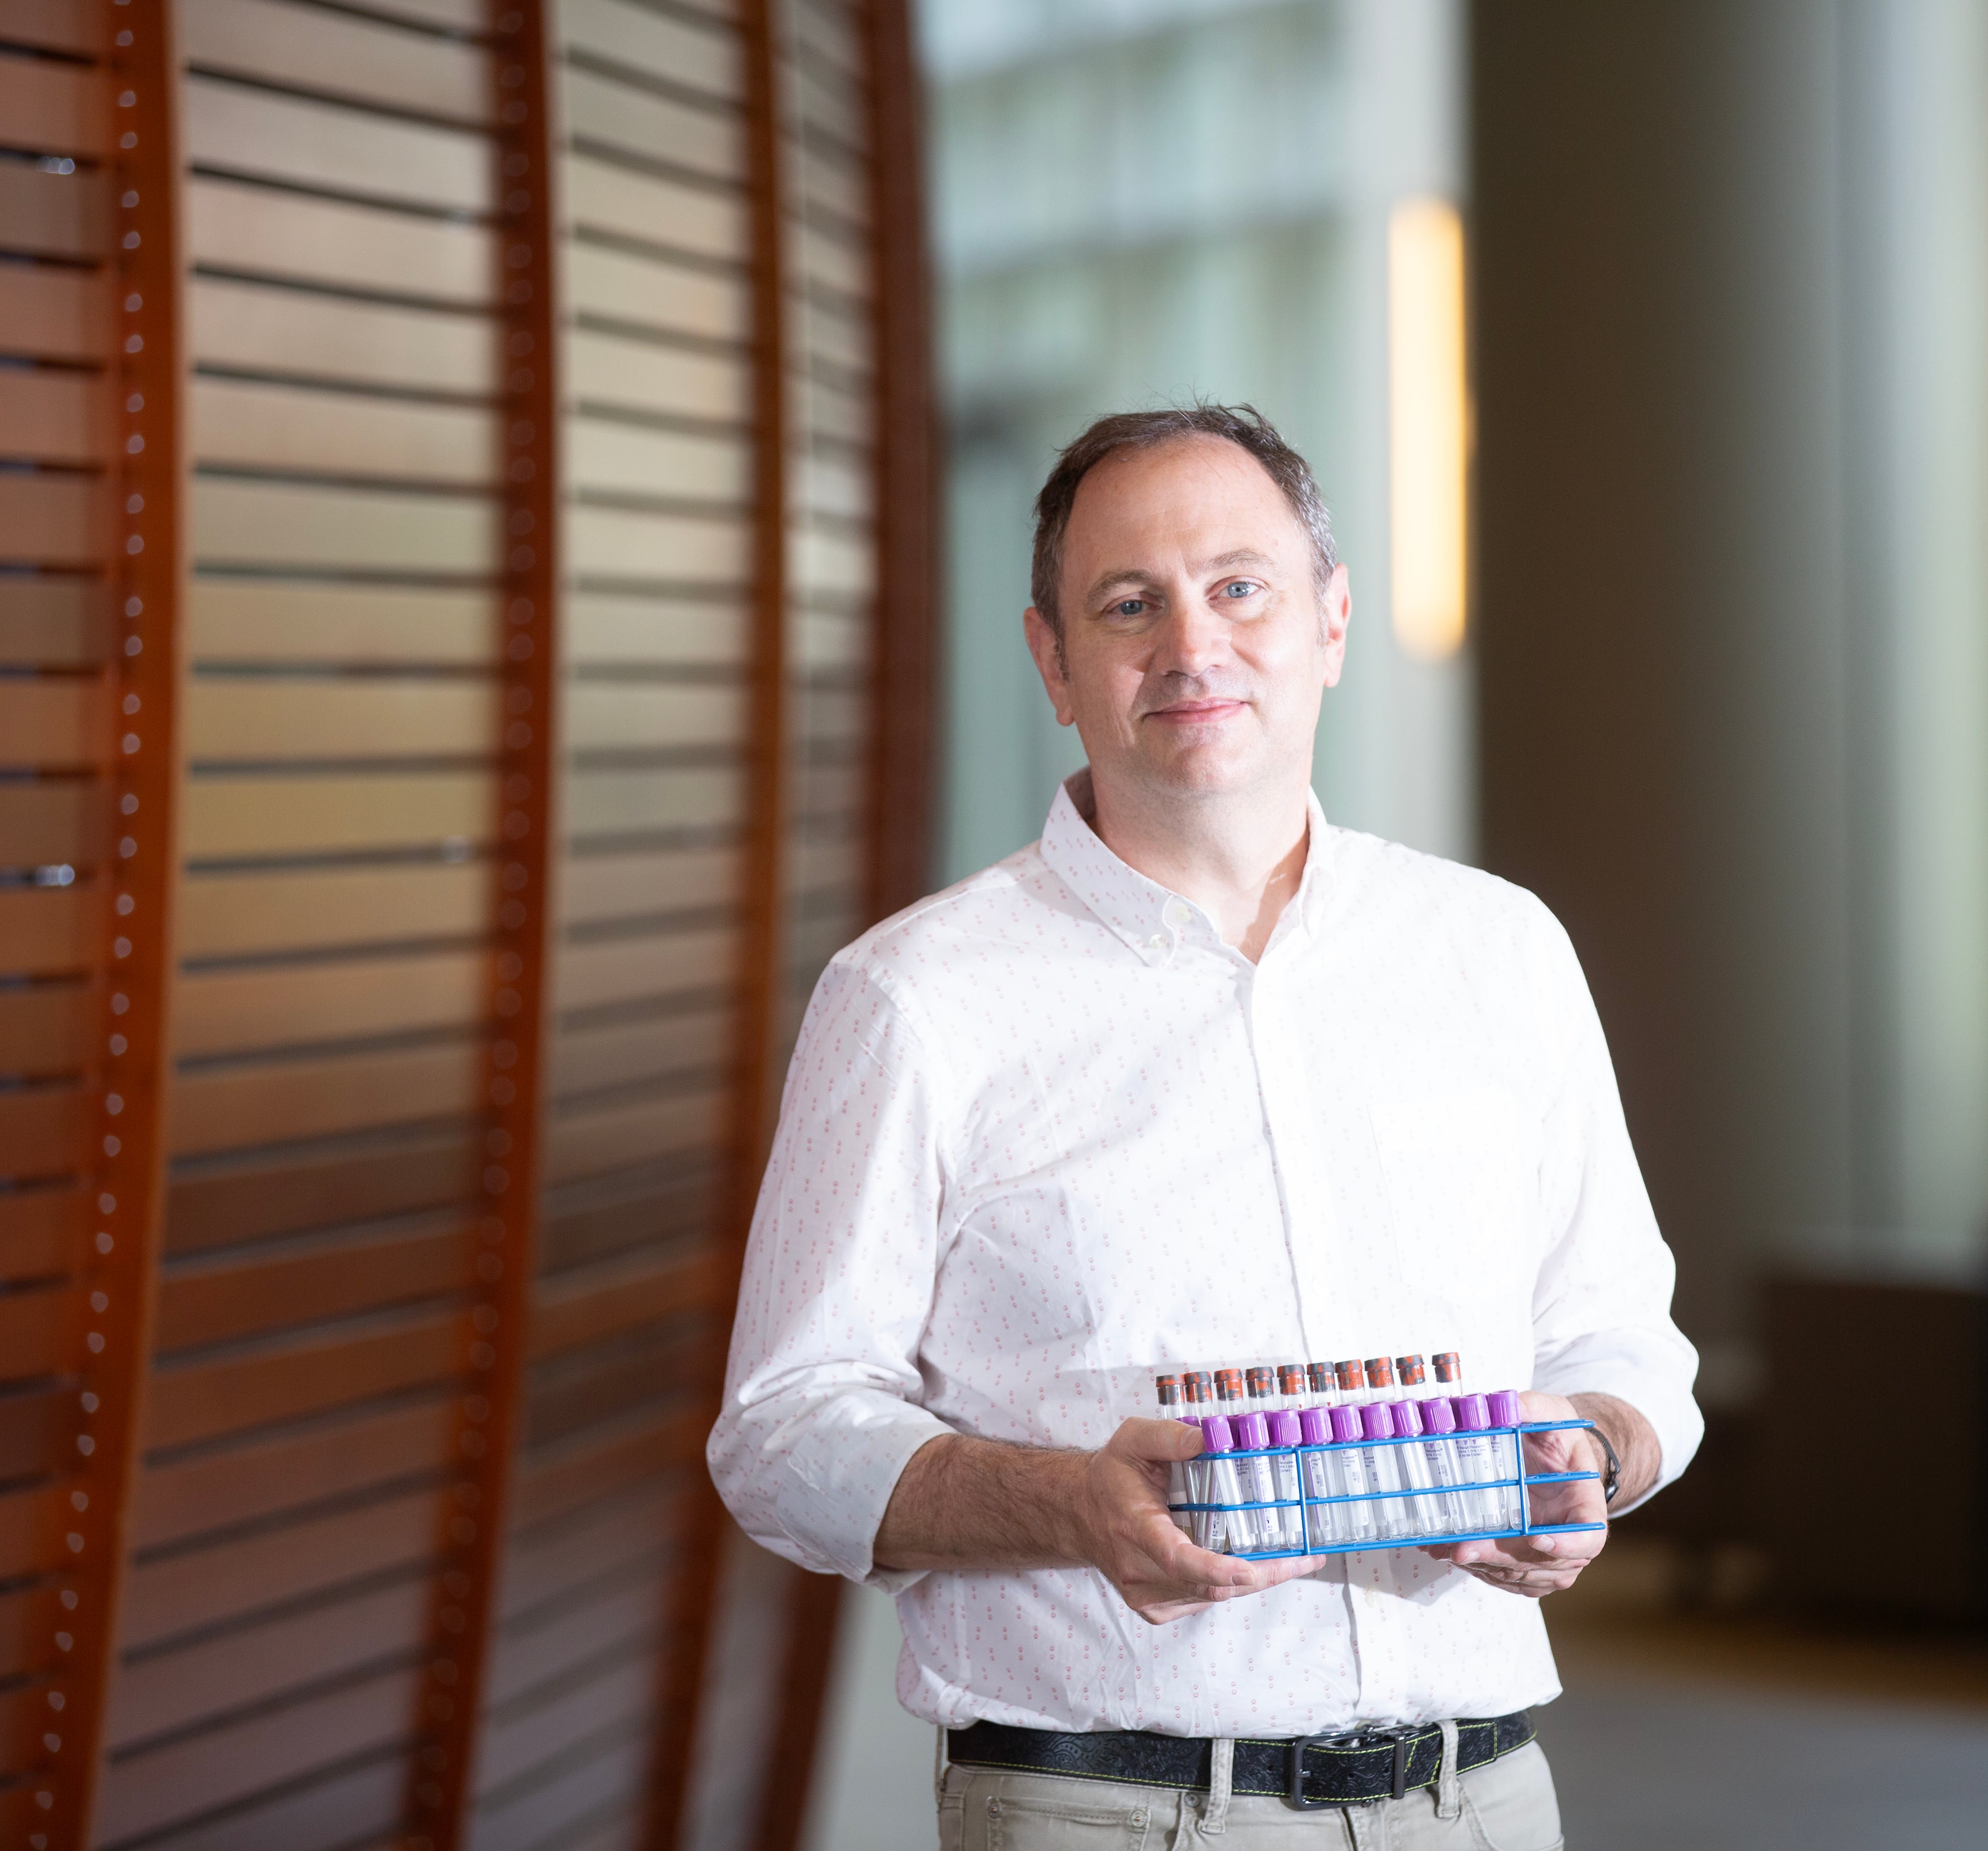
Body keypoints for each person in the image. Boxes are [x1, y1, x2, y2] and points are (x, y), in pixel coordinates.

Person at [709, 404, 1700, 1848]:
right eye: (1130, 604)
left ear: (1333, 622)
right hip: (1111, 1814)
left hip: (1480, 1801)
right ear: (1053, 660)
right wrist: (1068, 1508)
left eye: (1240, 586)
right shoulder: (915, 998)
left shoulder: (1500, 951)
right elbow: (781, 1437)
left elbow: (1625, 1341)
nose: (1193, 645)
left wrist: (1590, 1457)